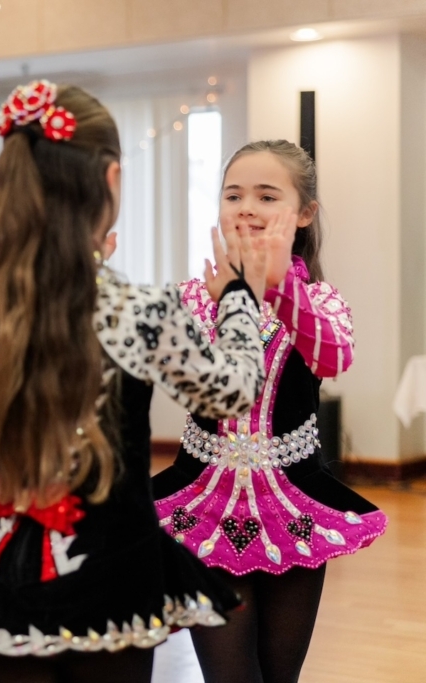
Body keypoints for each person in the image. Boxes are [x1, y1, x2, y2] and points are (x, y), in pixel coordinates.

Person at [0, 80, 272, 683]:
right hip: (111, 571)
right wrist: (241, 297)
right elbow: (234, 390)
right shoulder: (138, 310)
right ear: (109, 180)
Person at [152, 139, 388, 683]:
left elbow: (333, 354)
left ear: (304, 213)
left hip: (295, 509)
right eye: (233, 195)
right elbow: (184, 384)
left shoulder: (322, 302)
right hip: (204, 510)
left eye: (266, 195)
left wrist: (280, 288)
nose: (247, 208)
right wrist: (228, 299)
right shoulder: (193, 298)